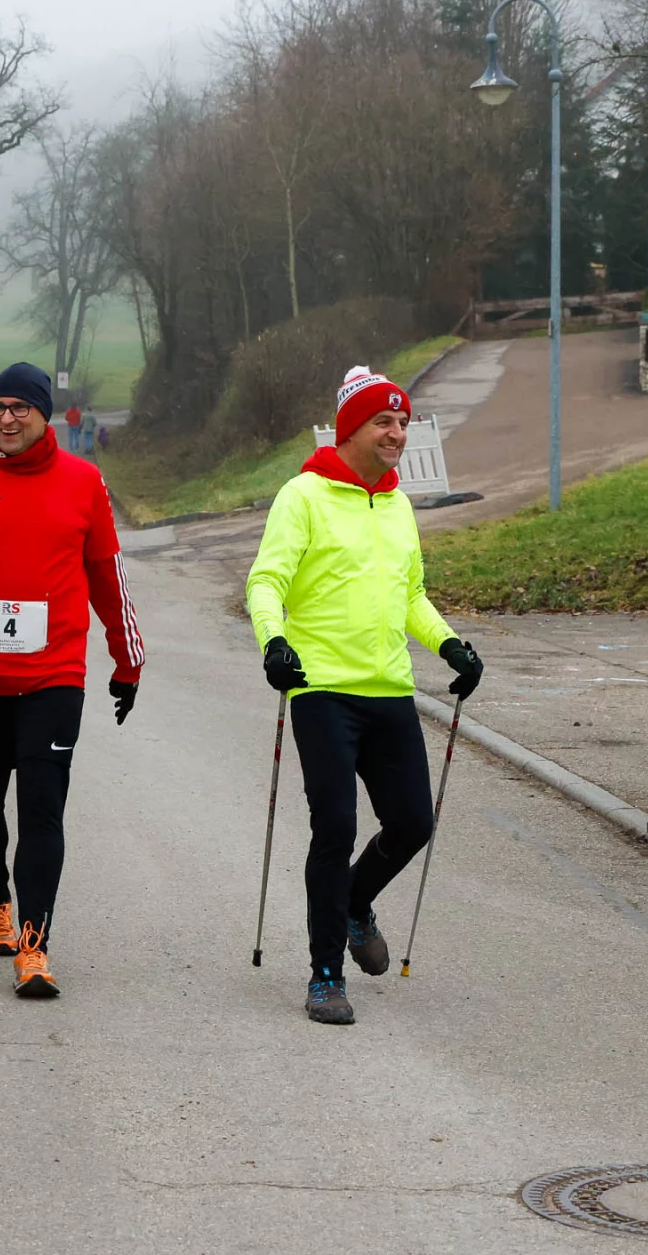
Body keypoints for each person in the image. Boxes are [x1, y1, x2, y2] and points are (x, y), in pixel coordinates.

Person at [246, 365, 484, 1026]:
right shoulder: (304, 496)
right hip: (321, 688)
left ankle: (354, 903)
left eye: (403, 422)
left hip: (388, 689)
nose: (397, 433)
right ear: (350, 429)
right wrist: (274, 642)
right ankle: (325, 975)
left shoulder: (398, 505)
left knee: (413, 823)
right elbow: (266, 581)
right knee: (336, 827)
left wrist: (450, 645)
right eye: (384, 421)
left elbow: (410, 596)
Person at [0, 361, 145, 999]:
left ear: (45, 416)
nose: (7, 419)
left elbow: (108, 578)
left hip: (53, 676)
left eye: (21, 408)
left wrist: (128, 661)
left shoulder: (84, 482)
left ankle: (34, 947)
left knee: (42, 808)